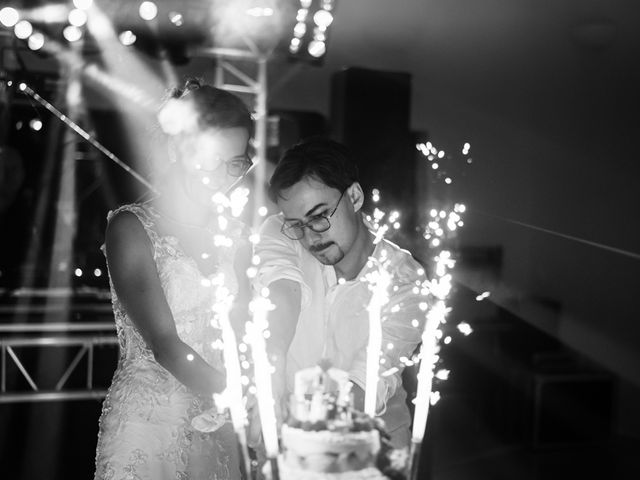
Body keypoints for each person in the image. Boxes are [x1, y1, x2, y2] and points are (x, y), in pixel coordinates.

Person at [94, 79, 254, 480]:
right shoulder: (131, 228)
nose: (220, 176)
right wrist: (236, 395)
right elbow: (165, 345)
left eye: (235, 163)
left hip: (218, 423)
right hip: (150, 425)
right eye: (209, 159)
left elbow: (243, 326)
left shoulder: (235, 234)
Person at [253, 137, 427, 449]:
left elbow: (365, 384)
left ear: (355, 197)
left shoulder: (406, 282)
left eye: (319, 216)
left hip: (371, 448)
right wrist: (273, 366)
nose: (310, 237)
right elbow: (281, 293)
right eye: (297, 225)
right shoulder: (279, 234)